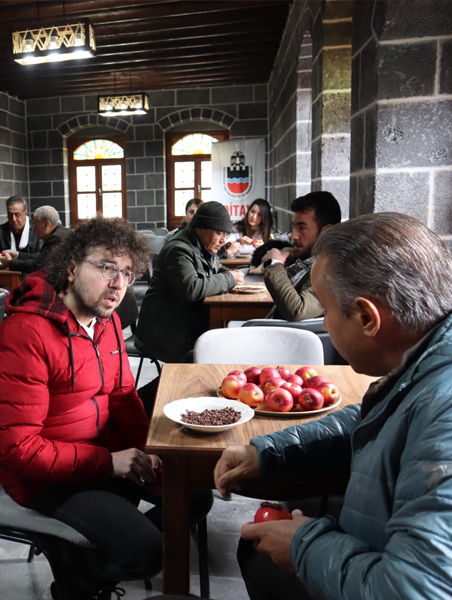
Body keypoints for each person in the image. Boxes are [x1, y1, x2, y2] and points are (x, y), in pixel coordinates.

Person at [214, 213, 452, 600]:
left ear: (366, 317)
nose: (323, 322)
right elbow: (374, 419)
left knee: (259, 558)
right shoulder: (426, 364)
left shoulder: (445, 415)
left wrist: (302, 546)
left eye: (324, 310)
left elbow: (414, 590)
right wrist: (270, 450)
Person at [0, 217, 213, 599]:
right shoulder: (26, 334)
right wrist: (110, 463)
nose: (119, 284)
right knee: (147, 552)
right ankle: (76, 580)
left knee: (192, 494)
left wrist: (148, 452)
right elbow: (18, 450)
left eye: (127, 272)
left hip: (94, 453)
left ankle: (86, 555)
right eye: (107, 267)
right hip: (40, 476)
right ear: (72, 269)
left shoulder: (104, 321)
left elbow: (123, 396)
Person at [135, 202, 244, 411]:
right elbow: (193, 288)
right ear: (200, 228)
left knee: (215, 351)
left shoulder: (201, 247)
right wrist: (229, 279)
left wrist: (226, 277)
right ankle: (138, 407)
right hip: (164, 331)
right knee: (198, 362)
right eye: (219, 233)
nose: (223, 240)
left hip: (182, 324)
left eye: (226, 235)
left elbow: (217, 270)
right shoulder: (178, 249)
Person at [261, 191, 341, 321]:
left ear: (326, 231)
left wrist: (274, 264)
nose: (294, 236)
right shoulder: (307, 262)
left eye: (302, 228)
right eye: (294, 227)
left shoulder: (334, 270)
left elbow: (298, 311)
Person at [0, 205, 69, 274]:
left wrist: (10, 262)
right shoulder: (63, 232)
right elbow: (41, 258)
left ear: (46, 224)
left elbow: (36, 266)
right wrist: (17, 255)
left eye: (35, 225)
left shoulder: (55, 238)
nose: (34, 230)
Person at [0, 195, 39, 264]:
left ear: (25, 213)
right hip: (7, 271)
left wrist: (17, 255)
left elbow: (40, 257)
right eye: (10, 215)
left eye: (17, 215)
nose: (13, 219)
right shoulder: (1, 230)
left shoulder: (36, 229)